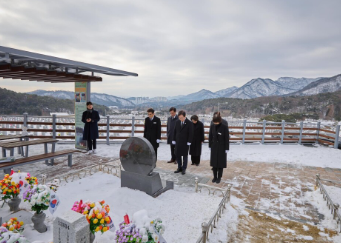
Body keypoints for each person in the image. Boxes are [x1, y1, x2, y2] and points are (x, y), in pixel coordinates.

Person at [209, 113, 230, 184]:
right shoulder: (212, 126)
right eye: (214, 122)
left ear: (219, 121)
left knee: (220, 163)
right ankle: (214, 177)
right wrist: (210, 145)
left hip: (222, 147)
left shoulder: (224, 127)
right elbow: (210, 136)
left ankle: (219, 177)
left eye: (216, 122)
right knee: (214, 163)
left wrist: (227, 148)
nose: (215, 123)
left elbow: (227, 138)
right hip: (214, 146)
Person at [172, 110, 193, 175]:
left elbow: (191, 133)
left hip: (185, 142)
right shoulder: (177, 122)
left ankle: (184, 168)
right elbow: (175, 131)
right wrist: (173, 139)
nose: (180, 119)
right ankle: (179, 167)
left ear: (185, 116)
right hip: (178, 141)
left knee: (184, 156)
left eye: (181, 118)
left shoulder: (189, 123)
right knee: (178, 155)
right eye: (179, 118)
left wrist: (189, 141)